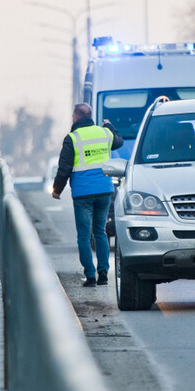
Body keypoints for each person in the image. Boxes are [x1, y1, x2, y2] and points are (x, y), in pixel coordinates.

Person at [51, 103, 123, 287]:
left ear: (75, 117)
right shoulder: (104, 133)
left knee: (83, 236)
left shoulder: (72, 138)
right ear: (90, 115)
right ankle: (104, 273)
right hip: (105, 190)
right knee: (100, 232)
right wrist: (109, 126)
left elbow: (64, 168)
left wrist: (57, 190)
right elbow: (119, 141)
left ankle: (90, 276)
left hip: (83, 194)